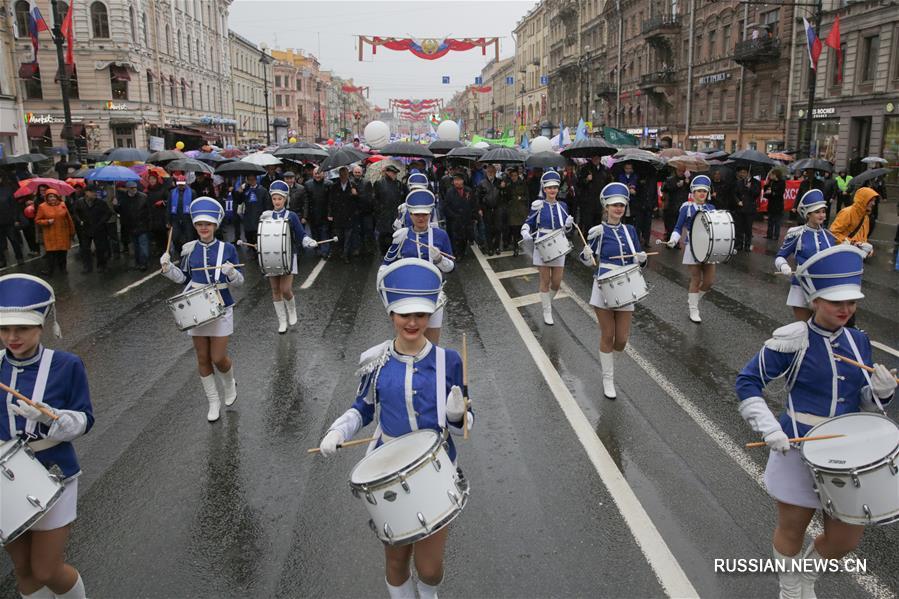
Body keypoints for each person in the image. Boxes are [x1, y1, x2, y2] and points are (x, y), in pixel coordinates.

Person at [735, 245, 896, 599]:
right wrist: (771, 429)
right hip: (798, 448)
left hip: (845, 457)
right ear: (814, 300)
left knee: (845, 539)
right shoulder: (793, 340)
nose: (845, 309)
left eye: (851, 302)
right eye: (835, 301)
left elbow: (861, 403)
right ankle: (790, 586)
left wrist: (882, 394)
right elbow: (747, 382)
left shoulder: (858, 342)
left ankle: (806, 575)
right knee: (792, 530)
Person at [317, 257, 473, 599]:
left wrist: (458, 413)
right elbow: (363, 408)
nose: (413, 322)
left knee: (430, 569)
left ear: (430, 315)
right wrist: (338, 431)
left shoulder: (449, 361)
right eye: (405, 315)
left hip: (435, 468)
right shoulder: (376, 361)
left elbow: (463, 424)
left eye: (420, 315)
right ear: (391, 315)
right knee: (397, 559)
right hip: (388, 473)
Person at [0, 274, 93, 599]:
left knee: (46, 569)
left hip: (54, 474)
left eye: (22, 328)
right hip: (6, 480)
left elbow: (84, 420)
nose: (12, 337)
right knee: (23, 569)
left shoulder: (66, 365)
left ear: (40, 326)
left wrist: (50, 417)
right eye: (4, 329)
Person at [159, 198, 244, 422]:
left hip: (222, 307)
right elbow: (183, 278)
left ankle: (229, 383)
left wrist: (232, 273)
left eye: (207, 224)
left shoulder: (228, 249)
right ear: (195, 226)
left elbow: (239, 282)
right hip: (195, 307)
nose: (203, 228)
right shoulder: (189, 250)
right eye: (199, 224)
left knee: (218, 357)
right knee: (202, 357)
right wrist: (168, 269)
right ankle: (213, 401)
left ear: (215, 225)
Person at [578, 183, 648, 399]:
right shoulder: (598, 231)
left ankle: (609, 361)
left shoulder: (630, 231)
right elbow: (588, 261)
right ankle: (608, 379)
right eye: (614, 205)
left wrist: (642, 260)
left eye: (621, 205)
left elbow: (638, 260)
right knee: (608, 335)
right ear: (606, 207)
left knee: (621, 340)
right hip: (603, 287)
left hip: (626, 286)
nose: (618, 208)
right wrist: (586, 253)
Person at [383, 189, 454, 344]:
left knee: (432, 343)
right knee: (410, 341)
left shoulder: (440, 235)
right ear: (410, 215)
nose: (421, 218)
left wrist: (439, 259)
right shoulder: (402, 235)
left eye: (425, 214)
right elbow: (384, 268)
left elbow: (450, 268)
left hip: (434, 294)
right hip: (408, 296)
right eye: (416, 214)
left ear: (430, 214)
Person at [775, 190, 838, 322]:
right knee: (804, 330)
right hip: (801, 287)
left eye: (823, 211)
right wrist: (784, 266)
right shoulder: (797, 234)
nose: (822, 215)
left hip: (824, 288)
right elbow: (780, 256)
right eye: (817, 212)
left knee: (823, 329)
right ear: (808, 214)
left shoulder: (829, 236)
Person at [521, 170, 574, 325]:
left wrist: (569, 226)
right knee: (545, 280)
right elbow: (529, 222)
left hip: (559, 245)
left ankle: (547, 303)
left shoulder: (563, 206)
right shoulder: (538, 206)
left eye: (555, 188)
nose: (552, 190)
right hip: (542, 245)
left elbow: (566, 229)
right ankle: (547, 311)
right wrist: (525, 230)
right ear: (544, 189)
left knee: (556, 282)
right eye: (549, 188)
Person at [263, 181, 317, 333]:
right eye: (274, 199)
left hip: (288, 255)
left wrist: (307, 241)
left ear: (285, 199)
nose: (277, 201)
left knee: (285, 289)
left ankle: (292, 309)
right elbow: (263, 237)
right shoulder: (267, 216)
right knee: (275, 289)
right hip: (271, 257)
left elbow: (300, 234)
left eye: (279, 199)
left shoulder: (291, 215)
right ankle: (282, 321)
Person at [664, 175, 717, 323]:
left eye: (704, 191)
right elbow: (678, 227)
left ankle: (693, 300)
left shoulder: (711, 208)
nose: (702, 194)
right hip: (692, 247)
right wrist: (673, 239)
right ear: (693, 193)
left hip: (709, 248)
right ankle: (694, 309)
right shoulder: (686, 208)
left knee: (709, 281)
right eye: (699, 191)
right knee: (696, 279)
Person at [35, 189, 75, 276]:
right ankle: (50, 271)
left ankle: (63, 269)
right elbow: (37, 220)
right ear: (47, 198)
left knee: (63, 253)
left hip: (63, 233)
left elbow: (69, 219)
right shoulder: (42, 207)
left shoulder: (63, 205)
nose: (52, 198)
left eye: (54, 196)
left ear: (57, 197)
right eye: (50, 196)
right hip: (50, 235)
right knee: (51, 255)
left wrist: (72, 232)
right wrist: (47, 222)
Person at [72, 185, 111, 274]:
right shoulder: (79, 202)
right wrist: (79, 221)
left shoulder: (101, 202)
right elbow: (75, 213)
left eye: (95, 192)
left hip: (98, 229)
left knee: (100, 248)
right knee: (85, 249)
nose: (95, 193)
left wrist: (101, 222)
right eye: (92, 192)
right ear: (86, 193)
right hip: (85, 229)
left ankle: (101, 265)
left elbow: (108, 213)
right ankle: (87, 267)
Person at [830, 187, 877, 258]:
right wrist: (853, 243)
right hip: (842, 254)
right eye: (871, 200)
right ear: (863, 200)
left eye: (874, 201)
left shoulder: (866, 217)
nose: (873, 203)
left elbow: (863, 237)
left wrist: (868, 248)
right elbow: (833, 233)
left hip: (856, 255)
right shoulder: (847, 213)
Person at [115, 181, 151, 271]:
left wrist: (148, 224)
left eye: (135, 187)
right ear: (127, 189)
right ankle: (138, 262)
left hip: (142, 226)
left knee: (143, 247)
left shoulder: (143, 197)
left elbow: (149, 212)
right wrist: (115, 205)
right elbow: (120, 211)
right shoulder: (123, 199)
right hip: (130, 226)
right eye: (131, 188)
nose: (134, 189)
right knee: (136, 247)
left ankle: (143, 263)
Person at [373, 164, 406, 254]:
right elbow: (375, 199)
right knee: (384, 236)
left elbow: (403, 197)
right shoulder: (379, 183)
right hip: (384, 214)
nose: (395, 174)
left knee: (395, 235)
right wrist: (379, 211)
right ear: (387, 172)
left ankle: (394, 253)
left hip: (396, 214)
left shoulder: (399, 184)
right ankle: (384, 254)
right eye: (393, 172)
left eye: (395, 173)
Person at [234, 174, 271, 251]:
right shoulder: (245, 190)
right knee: (249, 237)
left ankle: (257, 255)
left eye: (253, 179)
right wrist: (239, 193)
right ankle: (251, 251)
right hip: (248, 217)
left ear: (256, 180)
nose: (251, 182)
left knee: (258, 238)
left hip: (259, 217)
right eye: (249, 180)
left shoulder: (263, 190)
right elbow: (239, 201)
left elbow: (267, 205)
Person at [329, 167, 358, 263]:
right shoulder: (334, 186)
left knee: (348, 237)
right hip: (338, 216)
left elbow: (358, 201)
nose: (343, 176)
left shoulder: (353, 185)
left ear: (348, 175)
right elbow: (331, 201)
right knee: (339, 237)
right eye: (341, 174)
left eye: (345, 174)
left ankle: (346, 255)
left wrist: (355, 195)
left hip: (349, 215)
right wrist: (330, 213)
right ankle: (340, 252)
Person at [443, 173, 474, 261]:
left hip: (466, 218)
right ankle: (457, 253)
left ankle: (463, 251)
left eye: (459, 180)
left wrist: (474, 215)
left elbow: (473, 203)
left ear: (463, 181)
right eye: (455, 180)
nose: (457, 182)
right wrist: (453, 215)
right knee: (455, 237)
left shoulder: (468, 190)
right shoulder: (450, 191)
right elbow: (446, 206)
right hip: (454, 219)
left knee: (464, 237)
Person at [304, 167, 332, 258]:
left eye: (319, 173)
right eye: (315, 173)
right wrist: (306, 215)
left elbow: (331, 201)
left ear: (323, 174)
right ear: (313, 174)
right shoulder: (308, 184)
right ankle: (317, 250)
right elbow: (306, 201)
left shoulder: (329, 184)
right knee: (314, 233)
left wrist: (330, 213)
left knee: (324, 233)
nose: (317, 175)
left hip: (324, 214)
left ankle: (325, 252)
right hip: (313, 214)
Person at [576, 155, 609, 230]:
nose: (596, 160)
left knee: (597, 223)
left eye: (597, 158)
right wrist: (586, 179)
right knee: (588, 223)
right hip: (588, 201)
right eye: (594, 158)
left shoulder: (604, 169)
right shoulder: (585, 168)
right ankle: (587, 239)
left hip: (599, 201)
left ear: (600, 159)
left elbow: (607, 182)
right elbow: (579, 184)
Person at [502, 167, 529, 256]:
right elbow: (505, 196)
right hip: (512, 210)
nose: (514, 177)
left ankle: (517, 245)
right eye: (512, 176)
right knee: (513, 229)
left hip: (521, 210)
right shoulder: (508, 184)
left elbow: (527, 196)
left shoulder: (523, 183)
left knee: (520, 229)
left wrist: (521, 198)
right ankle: (515, 247)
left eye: (515, 175)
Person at [476, 164, 502, 255]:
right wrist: (479, 209)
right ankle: (490, 248)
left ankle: (497, 247)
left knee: (498, 229)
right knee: (488, 229)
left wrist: (503, 187)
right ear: (486, 173)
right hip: (486, 209)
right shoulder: (482, 183)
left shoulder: (499, 182)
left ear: (495, 173)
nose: (490, 173)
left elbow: (504, 195)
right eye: (489, 172)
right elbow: (477, 197)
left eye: (492, 172)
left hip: (497, 208)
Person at [166, 176, 196, 255]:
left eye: (182, 184)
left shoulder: (192, 192)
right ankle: (179, 251)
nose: (181, 186)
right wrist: (168, 221)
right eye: (179, 184)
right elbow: (169, 207)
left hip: (188, 219)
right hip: (175, 218)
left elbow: (194, 206)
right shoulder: (172, 192)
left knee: (189, 237)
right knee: (175, 238)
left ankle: (189, 253)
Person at [0, 174, 25, 267]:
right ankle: (1, 260)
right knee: (0, 244)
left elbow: (14, 206)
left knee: (14, 240)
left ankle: (19, 258)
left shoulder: (7, 190)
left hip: (9, 221)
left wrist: (16, 219)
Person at [734, 165, 760, 251]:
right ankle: (739, 244)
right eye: (741, 172)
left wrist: (750, 188)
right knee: (739, 228)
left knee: (748, 228)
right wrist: (738, 201)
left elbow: (756, 194)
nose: (742, 174)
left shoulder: (756, 182)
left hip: (750, 209)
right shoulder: (739, 182)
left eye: (744, 172)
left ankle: (747, 245)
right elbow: (734, 194)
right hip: (740, 209)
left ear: (749, 173)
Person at [661, 166, 689, 243]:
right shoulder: (670, 179)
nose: (681, 172)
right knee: (671, 225)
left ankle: (676, 242)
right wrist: (676, 185)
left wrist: (688, 183)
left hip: (682, 205)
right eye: (679, 170)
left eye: (683, 171)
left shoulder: (687, 180)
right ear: (676, 170)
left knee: (679, 225)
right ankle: (669, 240)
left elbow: (690, 190)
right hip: (672, 205)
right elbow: (665, 189)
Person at [764, 169, 786, 241]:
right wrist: (766, 186)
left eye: (772, 175)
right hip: (771, 204)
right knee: (770, 220)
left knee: (777, 221)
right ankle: (769, 234)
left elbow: (780, 193)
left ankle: (776, 235)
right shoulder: (771, 182)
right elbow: (766, 192)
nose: (770, 176)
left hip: (778, 204)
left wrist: (772, 192)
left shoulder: (782, 182)